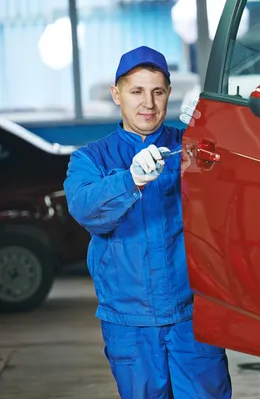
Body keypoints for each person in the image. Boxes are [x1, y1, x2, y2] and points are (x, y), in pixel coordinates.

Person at [63, 46, 232, 399]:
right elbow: (83, 207)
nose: (148, 103)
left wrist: (219, 133)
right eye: (136, 91)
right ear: (117, 94)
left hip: (192, 315)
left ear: (169, 94)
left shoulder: (193, 147)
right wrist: (131, 180)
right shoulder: (90, 158)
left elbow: (239, 191)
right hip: (129, 322)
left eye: (157, 92)